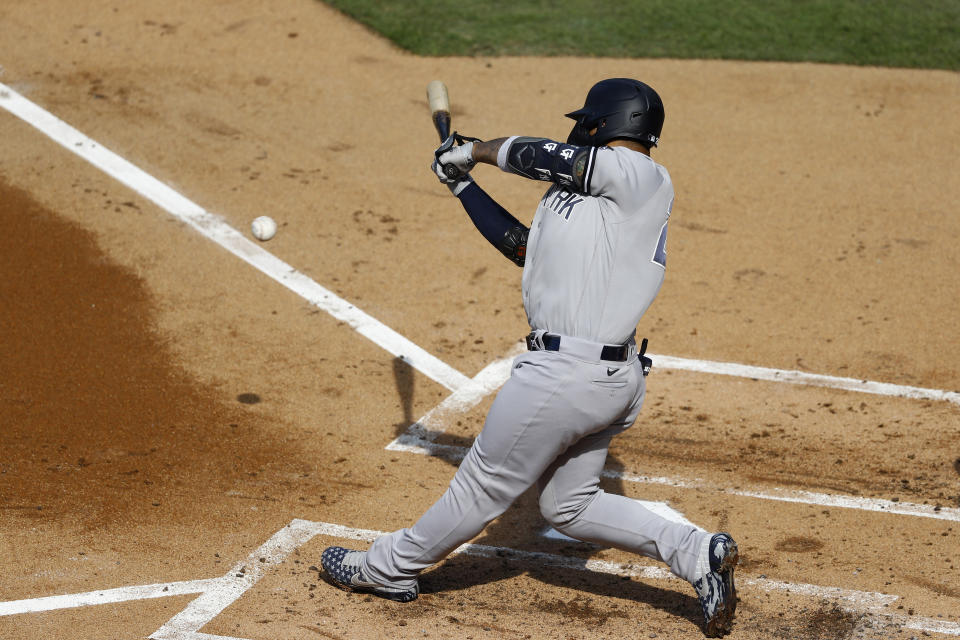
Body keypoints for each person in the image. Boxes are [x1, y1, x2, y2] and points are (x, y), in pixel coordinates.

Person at [321, 78, 739, 637]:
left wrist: (474, 148)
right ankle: (697, 553)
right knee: (570, 506)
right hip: (601, 379)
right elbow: (524, 247)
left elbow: (542, 154)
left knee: (482, 485)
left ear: (602, 123)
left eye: (585, 122)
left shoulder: (639, 176)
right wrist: (463, 186)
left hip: (566, 377)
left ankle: (385, 568)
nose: (578, 130)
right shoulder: (587, 198)